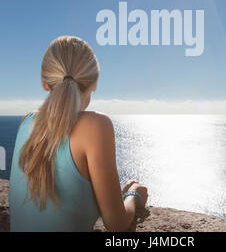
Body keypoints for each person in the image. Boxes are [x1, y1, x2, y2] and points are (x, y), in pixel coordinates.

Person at [9, 36, 148, 232]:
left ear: (45, 83)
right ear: (93, 84)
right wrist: (133, 195)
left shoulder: (26, 122)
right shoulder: (96, 126)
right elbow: (117, 225)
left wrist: (115, 196)